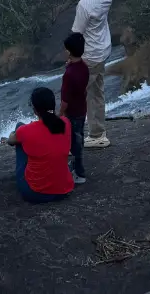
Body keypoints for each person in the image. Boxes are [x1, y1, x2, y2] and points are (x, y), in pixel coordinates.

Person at [72, 0, 114, 148]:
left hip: (88, 56)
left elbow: (77, 35)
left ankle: (94, 136)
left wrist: (71, 59)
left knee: (79, 96)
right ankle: (98, 132)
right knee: (96, 92)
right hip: (102, 51)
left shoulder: (85, 4)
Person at [7, 87, 74, 203]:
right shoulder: (66, 122)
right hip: (64, 190)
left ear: (35, 110)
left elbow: (10, 141)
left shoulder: (25, 130)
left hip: (35, 194)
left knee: (19, 126)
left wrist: (22, 133)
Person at [59, 31, 89, 184]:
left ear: (69, 51)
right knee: (79, 137)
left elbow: (65, 101)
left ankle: (79, 173)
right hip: (82, 109)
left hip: (71, 113)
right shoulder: (83, 67)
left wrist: (60, 115)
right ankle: (77, 169)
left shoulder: (69, 74)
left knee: (74, 144)